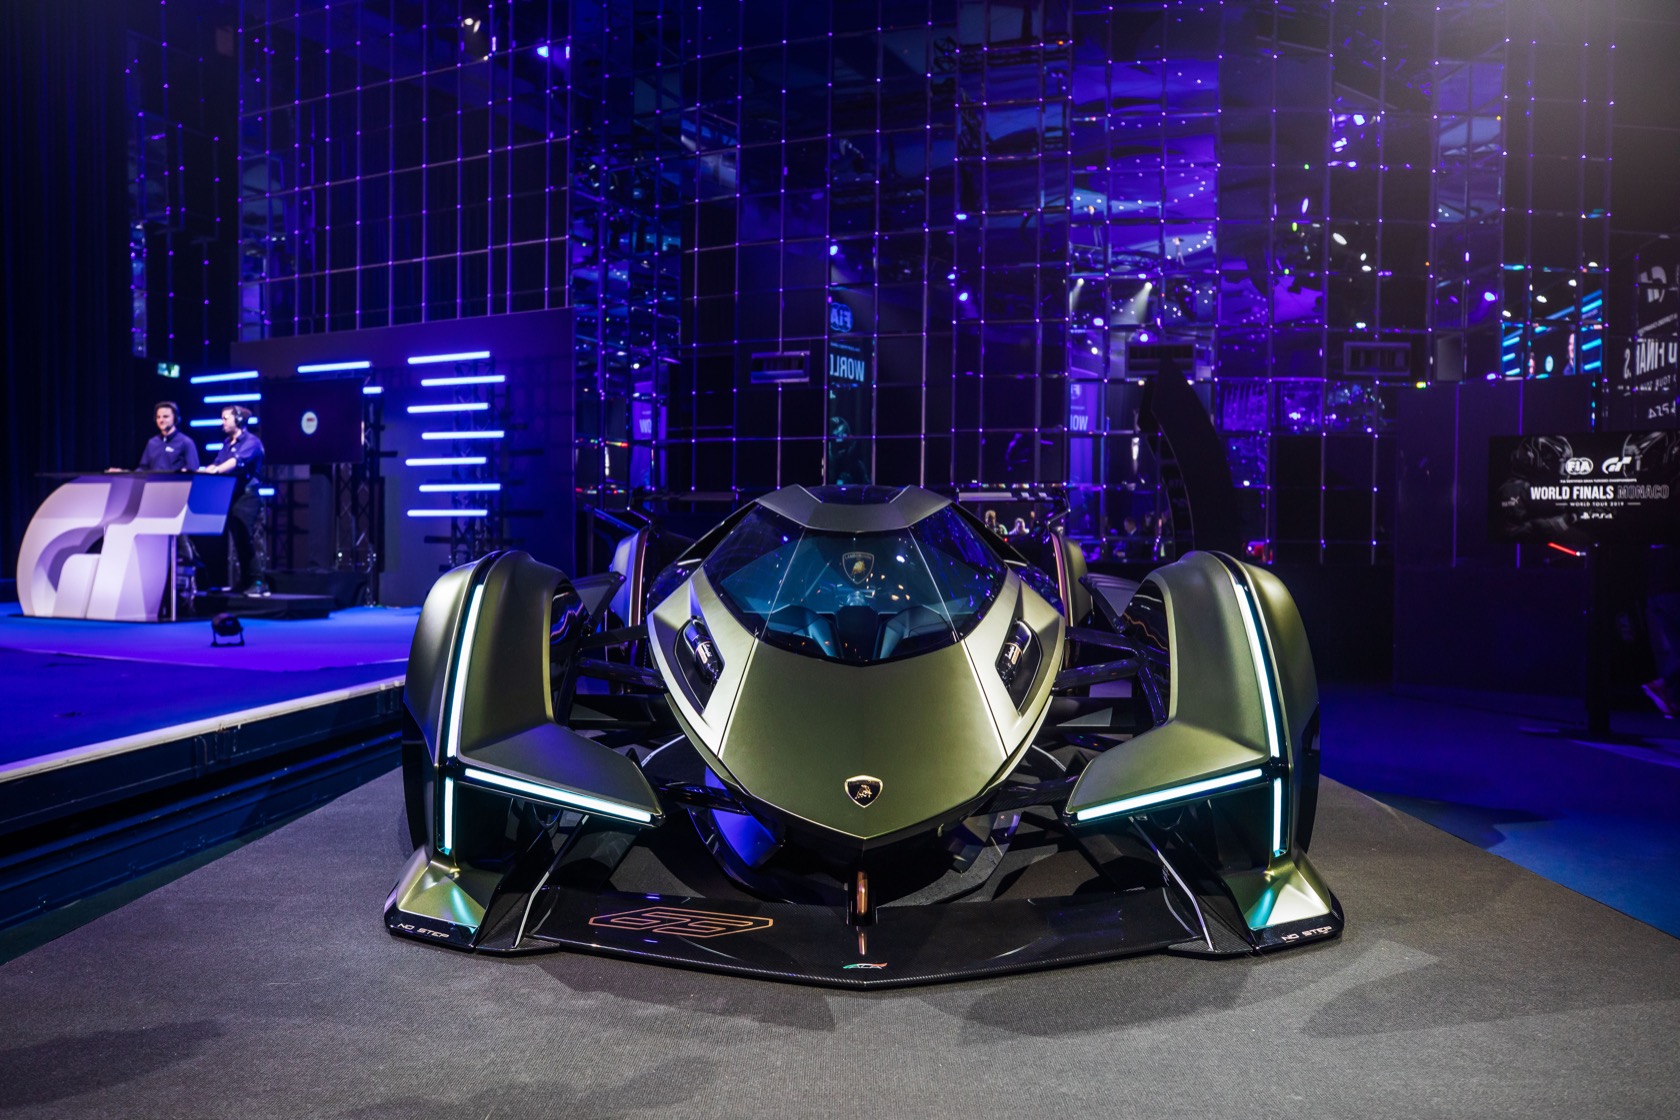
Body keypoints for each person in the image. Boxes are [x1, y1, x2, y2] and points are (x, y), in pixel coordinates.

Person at [199, 405, 266, 593]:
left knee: (246, 539)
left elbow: (236, 461)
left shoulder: (252, 442)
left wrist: (216, 470)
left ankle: (259, 583)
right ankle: (246, 581)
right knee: (238, 541)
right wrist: (204, 470)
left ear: (239, 420)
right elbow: (218, 462)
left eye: (225, 418)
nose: (222, 422)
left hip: (248, 496)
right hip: (233, 495)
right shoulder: (227, 443)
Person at [109, 401, 199, 472]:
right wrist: (124, 473)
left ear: (175, 418)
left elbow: (192, 469)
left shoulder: (186, 442)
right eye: (158, 417)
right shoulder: (152, 442)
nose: (161, 420)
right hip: (153, 488)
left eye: (165, 416)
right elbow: (143, 470)